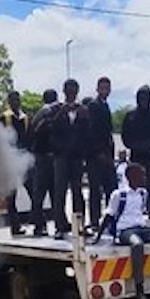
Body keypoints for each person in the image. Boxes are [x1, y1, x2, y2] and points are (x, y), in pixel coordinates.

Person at [96, 163, 150, 298]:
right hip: (126, 230)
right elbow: (109, 215)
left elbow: (142, 212)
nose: (144, 178)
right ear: (131, 177)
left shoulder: (143, 193)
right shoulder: (119, 194)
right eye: (141, 175)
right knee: (137, 245)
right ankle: (139, 285)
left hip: (141, 227)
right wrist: (98, 237)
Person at [50, 78, 91, 237]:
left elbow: (87, 134)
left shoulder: (83, 111)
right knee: (59, 191)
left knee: (77, 191)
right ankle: (60, 226)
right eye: (68, 90)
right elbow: (51, 133)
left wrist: (83, 152)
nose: (71, 93)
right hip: (61, 157)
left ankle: (80, 225)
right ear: (64, 92)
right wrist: (59, 150)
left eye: (74, 90)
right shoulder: (57, 110)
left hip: (76, 157)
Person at [120, 85, 150, 197]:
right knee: (135, 185)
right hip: (136, 156)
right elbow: (125, 136)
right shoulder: (130, 116)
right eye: (141, 97)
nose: (144, 100)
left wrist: (149, 145)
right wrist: (136, 146)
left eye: (146, 97)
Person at [84, 76, 117, 229]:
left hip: (107, 155)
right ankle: (94, 221)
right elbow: (91, 132)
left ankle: (110, 219)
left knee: (111, 188)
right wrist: (98, 152)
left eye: (107, 88)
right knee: (95, 190)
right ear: (97, 89)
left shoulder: (105, 105)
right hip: (96, 156)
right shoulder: (93, 105)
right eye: (102, 88)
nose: (105, 91)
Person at [0, 90, 32, 236]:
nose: (16, 102)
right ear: (9, 101)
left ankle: (38, 222)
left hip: (24, 159)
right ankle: (15, 226)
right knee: (11, 196)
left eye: (17, 99)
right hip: (10, 159)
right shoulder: (4, 118)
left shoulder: (25, 118)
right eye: (13, 99)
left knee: (32, 190)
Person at [28, 88, 59, 238]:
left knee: (39, 193)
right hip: (48, 157)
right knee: (54, 192)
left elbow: (32, 135)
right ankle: (58, 223)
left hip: (39, 156)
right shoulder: (55, 112)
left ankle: (38, 225)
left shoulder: (37, 115)